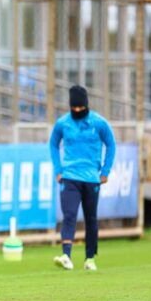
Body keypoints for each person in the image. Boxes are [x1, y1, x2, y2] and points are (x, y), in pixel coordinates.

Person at [49, 85, 116, 272]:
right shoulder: (63, 123)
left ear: (86, 105)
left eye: (80, 108)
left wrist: (105, 171)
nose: (77, 111)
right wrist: (58, 169)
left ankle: (89, 258)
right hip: (69, 176)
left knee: (91, 218)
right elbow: (53, 144)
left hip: (92, 178)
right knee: (69, 215)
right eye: (74, 108)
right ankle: (66, 256)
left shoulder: (99, 123)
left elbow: (111, 144)